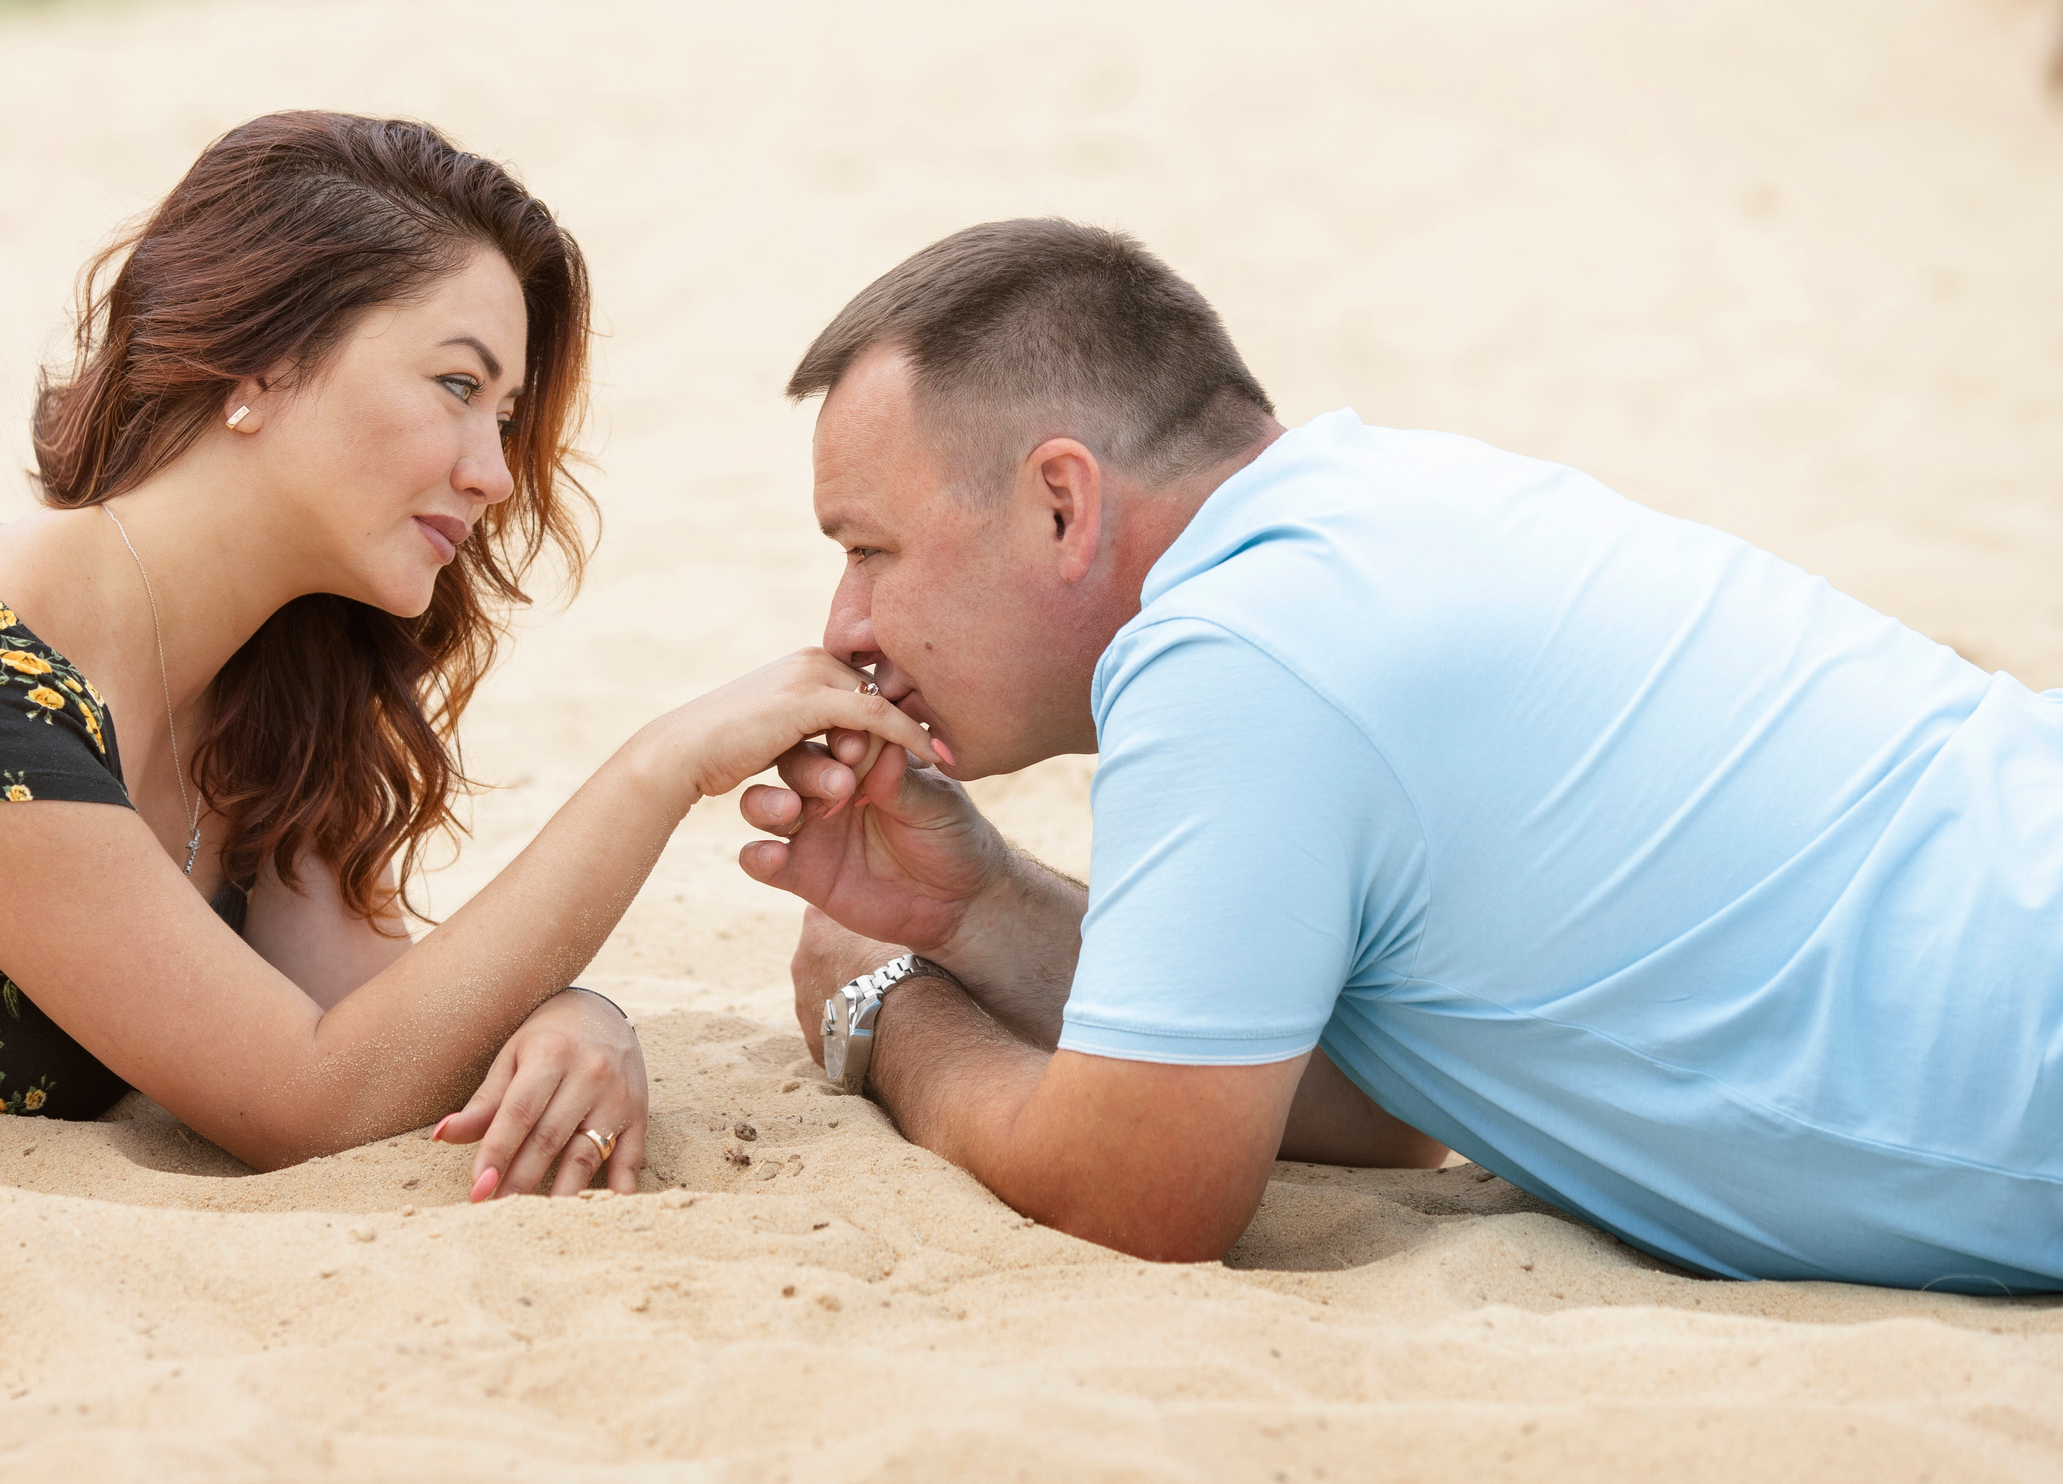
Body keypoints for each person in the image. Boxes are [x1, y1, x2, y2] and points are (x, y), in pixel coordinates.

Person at [0, 111, 930, 1196]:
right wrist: (659, 767)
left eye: (505, 418)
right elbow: (306, 1097)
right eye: (455, 387)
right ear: (256, 363)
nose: (494, 472)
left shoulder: (261, 678)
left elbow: (372, 1002)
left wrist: (582, 1013)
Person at [735, 217, 2063, 1293]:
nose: (846, 625)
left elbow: (1140, 1193)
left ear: (1064, 503)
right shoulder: (1375, 513)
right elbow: (1390, 1103)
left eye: (869, 551)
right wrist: (972, 909)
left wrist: (888, 1015)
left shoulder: (1243, 648)